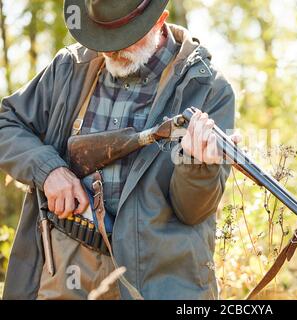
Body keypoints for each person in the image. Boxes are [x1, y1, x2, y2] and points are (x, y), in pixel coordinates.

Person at [0, 0, 236, 300]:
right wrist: (49, 171)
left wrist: (198, 166)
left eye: (123, 38)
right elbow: (6, 124)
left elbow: (192, 213)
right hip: (66, 267)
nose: (109, 49)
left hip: (157, 277)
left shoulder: (209, 89)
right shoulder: (70, 67)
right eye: (102, 36)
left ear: (159, 21)